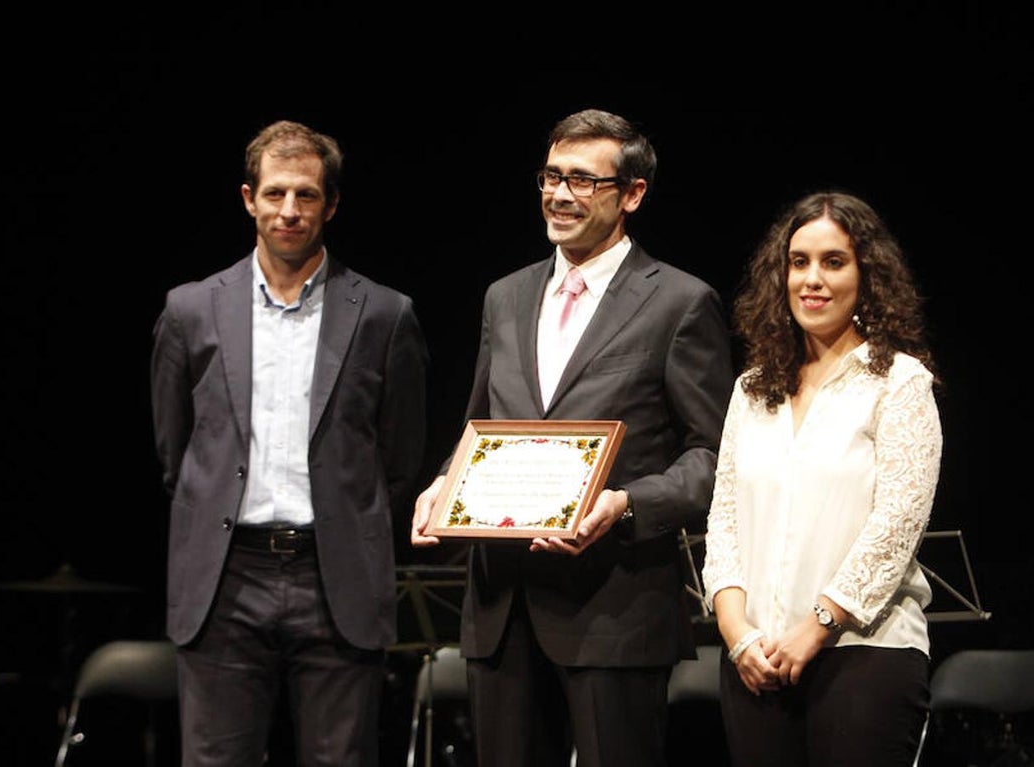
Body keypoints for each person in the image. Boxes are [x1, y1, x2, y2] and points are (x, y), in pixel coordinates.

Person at [410, 108, 733, 767]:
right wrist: (447, 482)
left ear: (632, 194)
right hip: (502, 604)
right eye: (552, 176)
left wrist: (627, 503)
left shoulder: (679, 301)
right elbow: (481, 427)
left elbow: (713, 457)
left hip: (614, 608)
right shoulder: (505, 296)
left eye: (583, 181)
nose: (559, 194)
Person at [150, 119, 428, 766]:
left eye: (306, 195)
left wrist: (347, 519)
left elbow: (399, 455)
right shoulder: (191, 309)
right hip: (225, 575)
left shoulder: (385, 314)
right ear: (248, 197)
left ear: (331, 204)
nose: (289, 211)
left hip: (334, 575)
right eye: (275, 194)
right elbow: (176, 448)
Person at [701, 190, 943, 766]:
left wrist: (816, 628)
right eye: (799, 261)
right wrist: (738, 637)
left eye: (834, 262)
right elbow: (724, 522)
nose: (812, 278)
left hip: (863, 655)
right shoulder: (752, 388)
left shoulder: (899, 383)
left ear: (867, 276)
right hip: (755, 662)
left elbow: (896, 526)